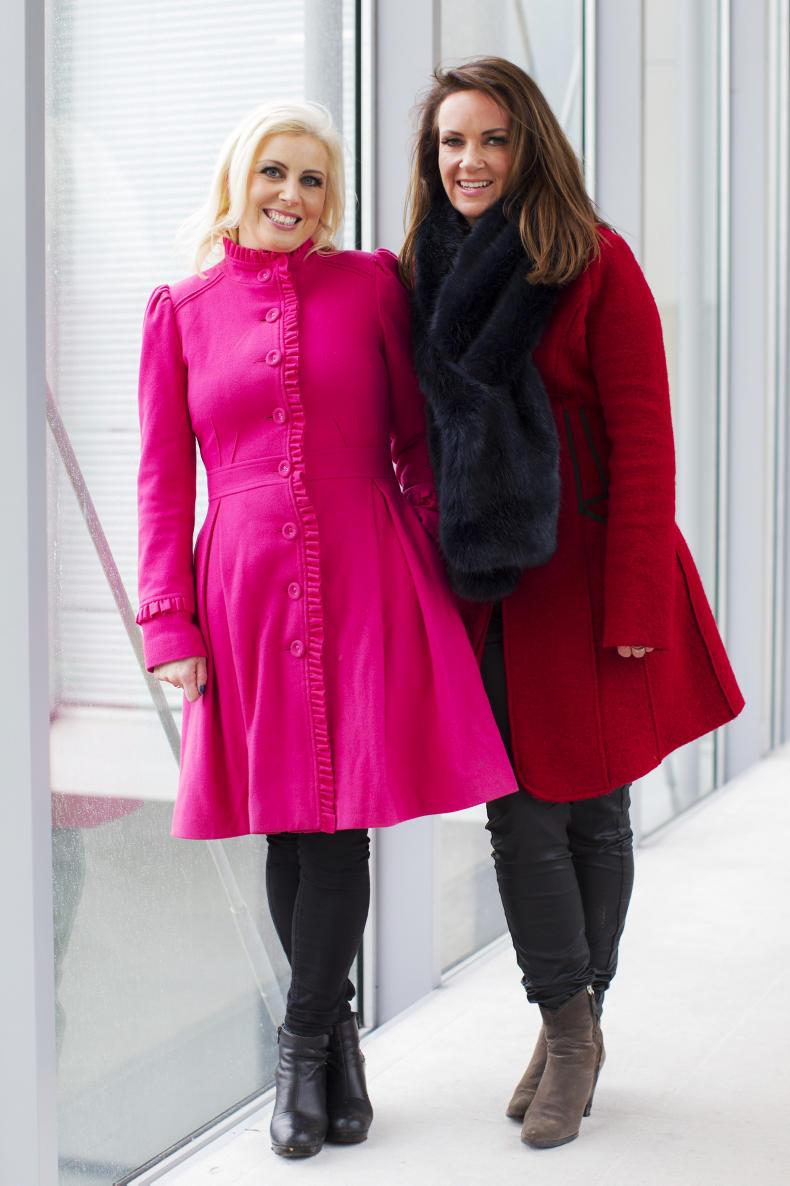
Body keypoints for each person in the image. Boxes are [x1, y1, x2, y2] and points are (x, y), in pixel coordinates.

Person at [135, 100, 516, 1160]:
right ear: (238, 180)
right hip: (245, 589)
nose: (291, 195)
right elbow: (162, 483)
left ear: (330, 197)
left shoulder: (371, 286)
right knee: (287, 822)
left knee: (340, 820)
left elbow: (417, 441)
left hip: (365, 573)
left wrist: (434, 560)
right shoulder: (179, 311)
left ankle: (301, 1048)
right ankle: (336, 1041)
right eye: (274, 172)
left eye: (311, 179)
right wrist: (170, 624)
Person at [402, 57, 745, 1151]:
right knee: (519, 813)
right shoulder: (422, 270)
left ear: (530, 147)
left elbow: (646, 443)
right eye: (453, 142)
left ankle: (573, 1032)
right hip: (492, 584)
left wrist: (635, 603)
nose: (470, 161)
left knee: (595, 809)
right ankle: (567, 1018)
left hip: (591, 577)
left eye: (492, 139)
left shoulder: (592, 260)